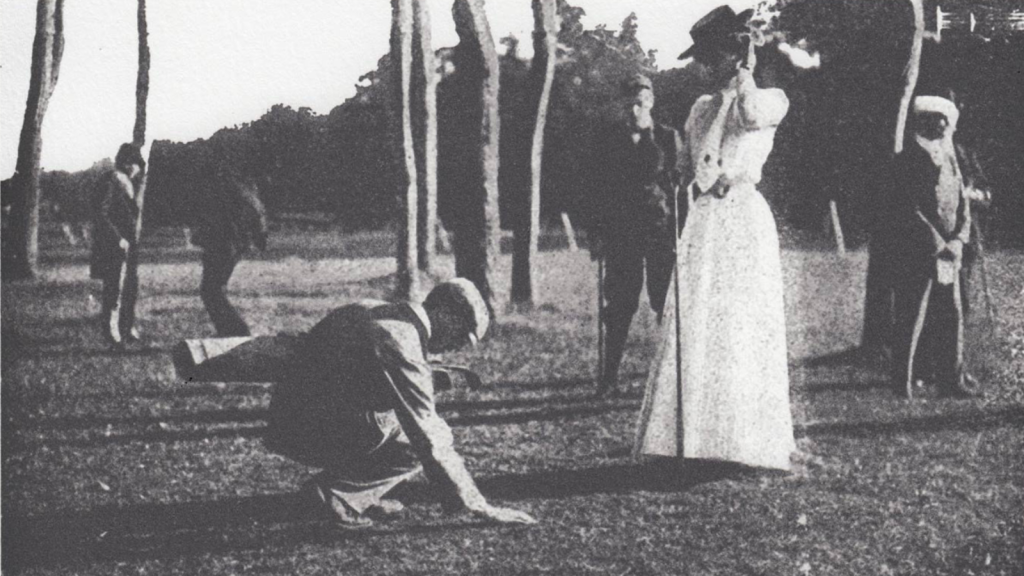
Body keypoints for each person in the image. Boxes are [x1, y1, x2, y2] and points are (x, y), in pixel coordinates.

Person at [633, 5, 795, 472]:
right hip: (705, 218)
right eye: (701, 57)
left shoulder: (771, 98)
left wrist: (745, 71)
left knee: (740, 322)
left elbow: (747, 115)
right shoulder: (700, 107)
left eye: (710, 56)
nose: (703, 66)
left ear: (733, 53)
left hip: (743, 216)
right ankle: (693, 439)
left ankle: (742, 442)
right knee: (700, 319)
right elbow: (685, 167)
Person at [265, 279, 537, 527]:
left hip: (289, 417)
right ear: (446, 314)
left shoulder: (375, 309)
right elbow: (426, 429)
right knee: (420, 438)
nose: (460, 346)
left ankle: (358, 495)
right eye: (464, 335)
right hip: (308, 428)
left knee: (390, 422)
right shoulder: (402, 338)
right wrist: (479, 504)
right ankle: (335, 496)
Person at [585, 73, 687, 397]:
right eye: (629, 103)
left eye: (641, 103)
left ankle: (669, 376)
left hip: (660, 231)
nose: (634, 110)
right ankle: (609, 377)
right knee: (619, 304)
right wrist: (596, 233)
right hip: (621, 233)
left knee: (664, 300)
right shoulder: (607, 139)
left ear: (651, 103)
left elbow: (681, 189)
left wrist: (684, 232)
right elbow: (594, 190)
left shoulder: (668, 138)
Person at [888, 92, 981, 399]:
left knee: (950, 314)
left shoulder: (950, 157)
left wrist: (957, 240)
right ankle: (902, 383)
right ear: (923, 122)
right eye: (936, 119)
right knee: (912, 316)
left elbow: (961, 205)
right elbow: (907, 208)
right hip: (918, 252)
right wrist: (938, 242)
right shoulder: (907, 159)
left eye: (946, 120)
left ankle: (951, 380)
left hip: (948, 253)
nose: (943, 125)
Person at [191, 173, 268, 336]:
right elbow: (257, 212)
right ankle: (229, 330)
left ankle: (236, 330)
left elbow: (211, 218)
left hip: (224, 243)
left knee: (211, 290)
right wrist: (259, 236)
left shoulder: (226, 185)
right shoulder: (243, 186)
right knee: (214, 289)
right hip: (232, 243)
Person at [91, 143, 145, 348]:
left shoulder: (130, 183)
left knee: (130, 287)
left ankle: (127, 327)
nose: (137, 170)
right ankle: (112, 331)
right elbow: (101, 213)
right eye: (136, 165)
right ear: (127, 163)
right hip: (115, 245)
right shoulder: (112, 180)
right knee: (115, 289)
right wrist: (117, 238)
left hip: (130, 245)